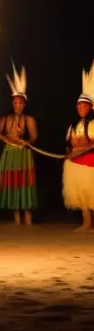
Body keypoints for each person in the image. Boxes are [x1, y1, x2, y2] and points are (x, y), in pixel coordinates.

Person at [0, 63, 38, 225]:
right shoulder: (5, 119)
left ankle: (28, 219)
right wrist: (5, 139)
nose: (17, 105)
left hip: (23, 153)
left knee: (24, 183)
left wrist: (27, 142)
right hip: (9, 153)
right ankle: (16, 220)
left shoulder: (29, 119)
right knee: (12, 182)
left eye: (20, 103)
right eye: (15, 103)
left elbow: (34, 136)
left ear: (24, 104)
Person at [63, 61, 94, 232]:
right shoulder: (73, 126)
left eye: (84, 105)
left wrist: (80, 152)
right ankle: (87, 223)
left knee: (92, 194)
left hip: (91, 163)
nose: (81, 107)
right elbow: (68, 144)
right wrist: (69, 154)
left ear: (91, 107)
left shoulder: (93, 124)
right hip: (75, 164)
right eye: (79, 105)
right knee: (82, 196)